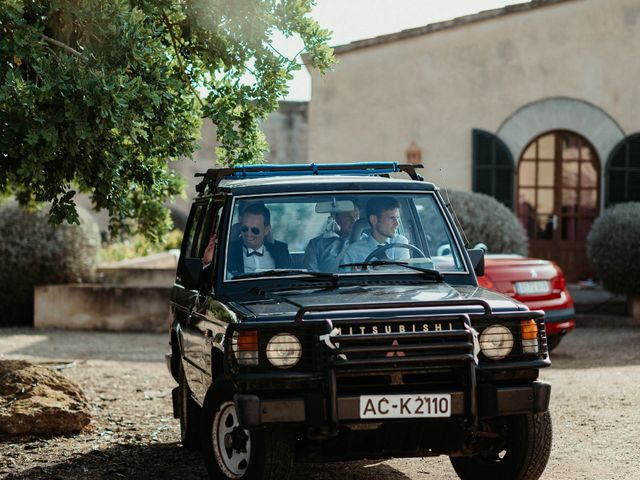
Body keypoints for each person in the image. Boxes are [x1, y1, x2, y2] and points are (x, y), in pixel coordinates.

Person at [341, 197, 409, 268]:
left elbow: (404, 273)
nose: (397, 224)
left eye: (397, 218)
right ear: (374, 219)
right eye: (392, 218)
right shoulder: (353, 251)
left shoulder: (400, 243)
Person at [227, 203, 291, 276]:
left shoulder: (281, 250)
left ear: (266, 230)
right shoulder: (228, 252)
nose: (249, 234)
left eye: (255, 230)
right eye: (244, 228)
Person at [303, 205, 359, 272]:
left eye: (356, 217)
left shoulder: (366, 242)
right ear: (337, 218)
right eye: (348, 217)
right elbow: (311, 275)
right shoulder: (316, 245)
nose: (354, 221)